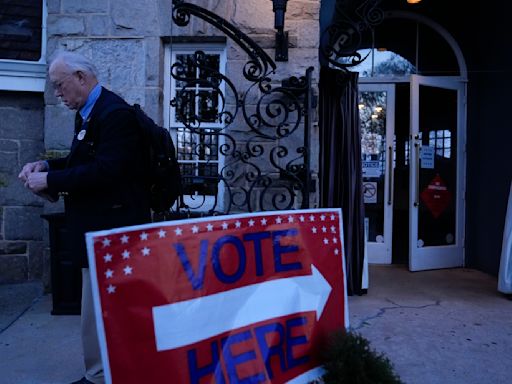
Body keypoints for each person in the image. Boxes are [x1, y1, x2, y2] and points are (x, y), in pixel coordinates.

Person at [19, 50, 152, 384]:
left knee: (98, 310)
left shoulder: (114, 114)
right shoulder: (93, 111)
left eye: (60, 86)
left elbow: (107, 171)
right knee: (101, 308)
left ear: (81, 77)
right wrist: (48, 166)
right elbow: (85, 161)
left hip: (110, 232)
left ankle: (99, 376)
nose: (57, 94)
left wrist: (49, 181)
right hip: (100, 229)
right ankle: (107, 372)